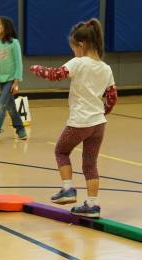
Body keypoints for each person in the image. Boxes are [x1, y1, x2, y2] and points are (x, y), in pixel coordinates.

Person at [29, 18, 117, 218]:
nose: (73, 53)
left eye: (73, 48)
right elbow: (112, 97)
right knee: (89, 163)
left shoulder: (78, 63)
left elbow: (55, 74)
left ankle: (68, 188)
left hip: (80, 122)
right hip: (98, 124)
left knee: (61, 151)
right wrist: (103, 112)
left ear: (81, 45)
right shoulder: (106, 68)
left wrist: (37, 69)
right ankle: (92, 205)